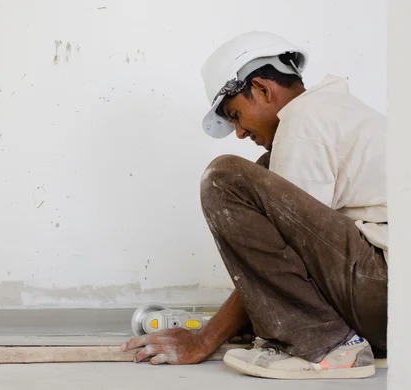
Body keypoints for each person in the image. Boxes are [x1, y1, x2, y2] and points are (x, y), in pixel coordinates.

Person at [121, 31, 388, 380]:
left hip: (384, 286)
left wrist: (205, 339)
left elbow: (292, 249)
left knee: (227, 179)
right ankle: (333, 338)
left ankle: (326, 347)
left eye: (235, 115)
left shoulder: (305, 118)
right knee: (261, 174)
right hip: (388, 305)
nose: (240, 133)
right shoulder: (332, 112)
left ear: (262, 89)